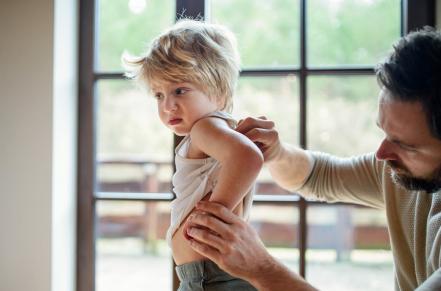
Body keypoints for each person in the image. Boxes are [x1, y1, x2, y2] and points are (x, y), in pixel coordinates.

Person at [184, 26, 441, 291]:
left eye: (405, 145)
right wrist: (278, 153)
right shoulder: (399, 170)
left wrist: (262, 269)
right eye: (384, 131)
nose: (382, 154)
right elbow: (320, 175)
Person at [124, 19, 263, 290]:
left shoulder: (205, 128)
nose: (168, 106)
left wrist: (212, 218)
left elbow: (248, 157)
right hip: (204, 275)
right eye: (159, 95)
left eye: (180, 91)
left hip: (210, 276)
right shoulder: (213, 130)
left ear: (220, 91)